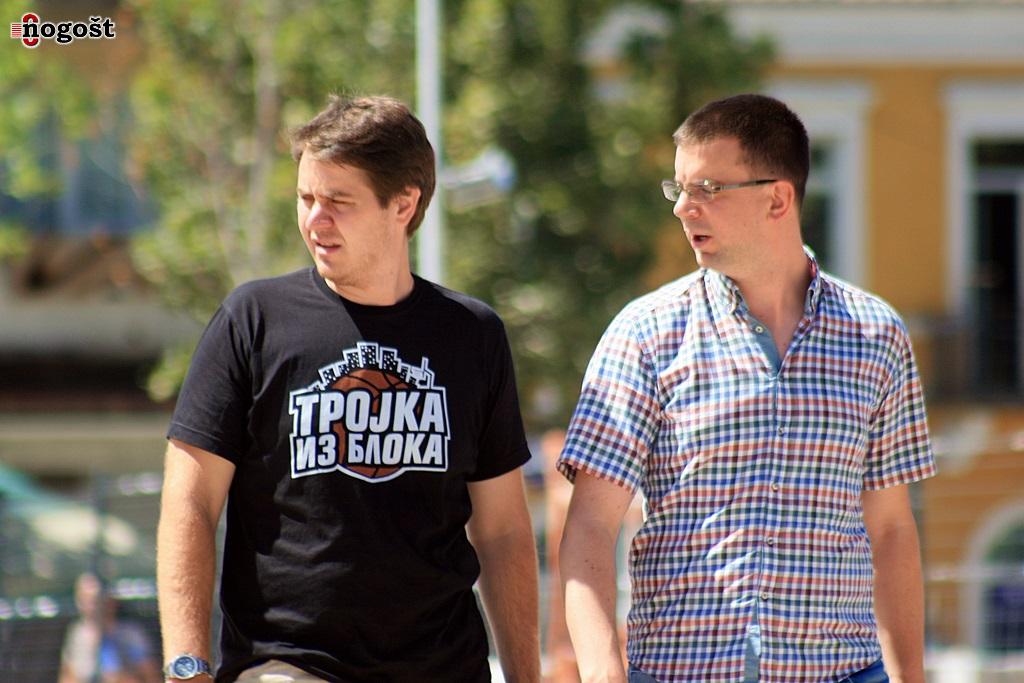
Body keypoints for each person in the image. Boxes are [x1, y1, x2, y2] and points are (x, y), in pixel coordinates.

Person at [157, 94, 540, 682]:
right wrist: (188, 668)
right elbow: (190, 500)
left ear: (403, 204)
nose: (315, 219)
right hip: (288, 664)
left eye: (338, 201)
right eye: (306, 198)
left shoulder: (473, 335)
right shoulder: (253, 320)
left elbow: (503, 530)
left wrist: (526, 677)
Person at [558, 93, 935, 683]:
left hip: (843, 671)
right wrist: (605, 674)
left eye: (707, 188)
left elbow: (890, 528)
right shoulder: (645, 334)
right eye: (678, 188)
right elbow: (590, 525)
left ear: (777, 199)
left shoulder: (877, 335)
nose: (682, 208)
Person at [59, 572, 162, 683]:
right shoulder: (77, 634)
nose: (90, 605)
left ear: (110, 601)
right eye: (84, 598)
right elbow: (68, 674)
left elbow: (149, 672)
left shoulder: (129, 633)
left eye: (95, 599)